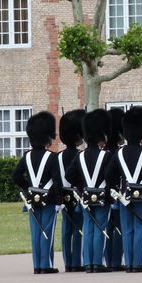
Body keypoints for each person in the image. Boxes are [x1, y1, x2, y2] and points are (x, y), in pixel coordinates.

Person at [10, 110, 61, 274]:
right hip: (50, 199)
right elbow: (58, 180)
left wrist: (27, 188)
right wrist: (59, 200)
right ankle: (46, 265)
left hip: (33, 198)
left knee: (35, 232)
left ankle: (37, 265)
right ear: (47, 137)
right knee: (47, 231)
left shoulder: (27, 156)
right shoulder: (52, 157)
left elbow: (16, 175)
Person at [116, 106, 142, 273]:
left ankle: (129, 262)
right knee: (140, 228)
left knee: (127, 228)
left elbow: (110, 175)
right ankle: (138, 262)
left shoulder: (119, 153)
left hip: (124, 195)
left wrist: (117, 190)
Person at [77, 109, 114, 273]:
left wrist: (82, 186)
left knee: (88, 227)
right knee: (100, 227)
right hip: (102, 196)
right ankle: (98, 262)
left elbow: (71, 174)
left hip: (86, 195)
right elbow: (111, 176)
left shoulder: (80, 156)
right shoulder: (105, 155)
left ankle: (88, 263)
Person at [56, 109, 86, 272]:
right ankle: (77, 262)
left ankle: (68, 261)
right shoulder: (80, 155)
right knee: (79, 229)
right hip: (77, 195)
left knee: (67, 230)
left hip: (64, 196)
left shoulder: (58, 156)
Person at [104, 107, 126, 271]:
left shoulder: (103, 151)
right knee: (118, 227)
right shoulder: (119, 152)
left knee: (108, 227)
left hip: (103, 194)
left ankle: (109, 259)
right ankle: (116, 260)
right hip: (117, 193)